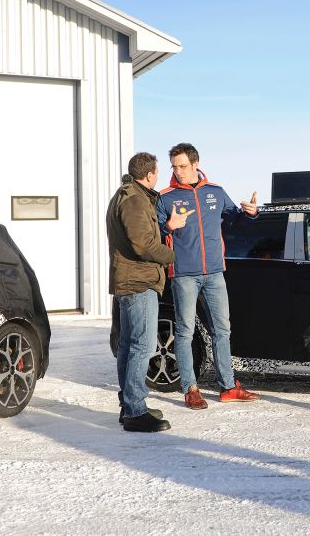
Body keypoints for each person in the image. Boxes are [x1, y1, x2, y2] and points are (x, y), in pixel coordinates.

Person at [157, 143, 261, 409]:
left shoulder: (214, 192)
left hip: (215, 272)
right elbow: (154, 233)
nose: (178, 171)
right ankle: (190, 389)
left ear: (195, 164)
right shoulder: (166, 197)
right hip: (183, 275)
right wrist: (169, 226)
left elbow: (233, 221)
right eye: (174, 167)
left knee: (222, 330)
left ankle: (228, 387)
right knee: (184, 331)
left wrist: (249, 214)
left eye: (182, 166)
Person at [107, 152, 190, 433]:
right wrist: (172, 255)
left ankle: (130, 403)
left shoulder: (130, 195)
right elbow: (142, 244)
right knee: (140, 346)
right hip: (138, 283)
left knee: (129, 346)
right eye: (158, 171)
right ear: (150, 174)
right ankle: (135, 410)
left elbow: (143, 235)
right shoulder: (134, 199)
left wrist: (167, 227)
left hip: (131, 281)